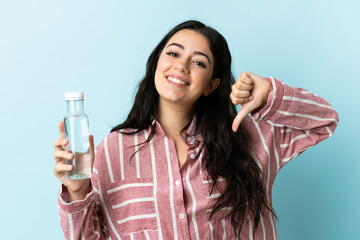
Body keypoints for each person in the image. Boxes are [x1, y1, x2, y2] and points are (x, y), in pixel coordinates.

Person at [53, 20, 339, 240]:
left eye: (199, 61)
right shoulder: (111, 152)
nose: (181, 66)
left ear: (212, 85)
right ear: (156, 64)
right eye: (173, 53)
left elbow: (325, 120)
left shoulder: (249, 136)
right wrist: (77, 192)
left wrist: (270, 95)